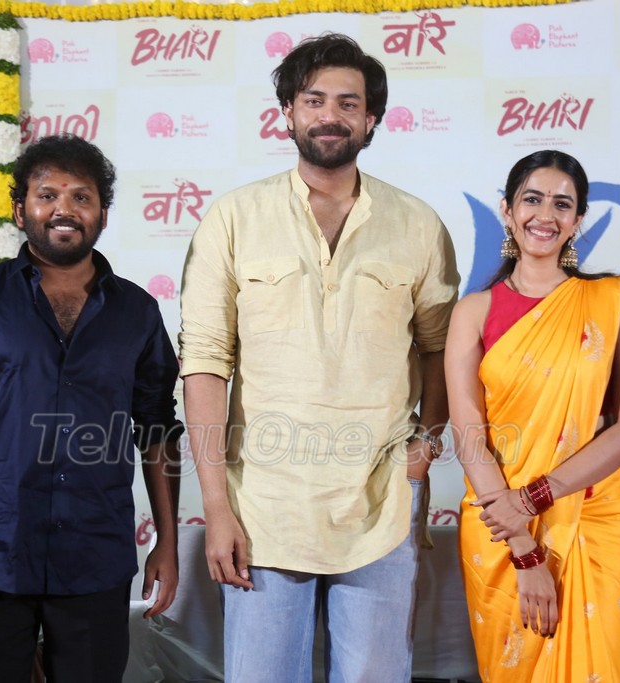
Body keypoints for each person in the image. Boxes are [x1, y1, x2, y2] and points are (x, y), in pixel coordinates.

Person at [179, 33, 459, 682]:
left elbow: (442, 347)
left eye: (347, 103)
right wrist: (216, 505)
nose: (330, 115)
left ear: (371, 118)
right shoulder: (234, 218)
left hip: (381, 501)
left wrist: (426, 444)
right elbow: (205, 363)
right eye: (314, 100)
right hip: (262, 504)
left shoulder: (417, 223)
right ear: (288, 111)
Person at [0, 134, 182, 683]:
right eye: (47, 195)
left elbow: (157, 429)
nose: (64, 208)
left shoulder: (136, 310)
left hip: (96, 554)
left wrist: (168, 542)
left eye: (81, 196)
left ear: (102, 213)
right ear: (21, 211)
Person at [444, 150, 620, 682]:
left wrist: (533, 499)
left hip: (595, 516)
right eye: (532, 199)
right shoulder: (473, 311)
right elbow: (469, 435)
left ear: (578, 219)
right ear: (507, 210)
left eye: (562, 204)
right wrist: (523, 547)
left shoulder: (612, 299)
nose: (546, 215)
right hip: (500, 526)